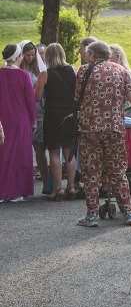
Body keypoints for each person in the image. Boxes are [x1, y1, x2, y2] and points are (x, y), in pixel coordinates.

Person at [75, 40, 131, 227]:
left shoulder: (83, 71)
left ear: (92, 55)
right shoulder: (121, 71)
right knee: (118, 170)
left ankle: (91, 215)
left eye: (87, 54)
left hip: (90, 128)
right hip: (114, 127)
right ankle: (128, 212)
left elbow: (77, 98)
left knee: (91, 171)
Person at [35, 43, 78, 201]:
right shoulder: (73, 70)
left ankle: (58, 187)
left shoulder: (45, 73)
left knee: (54, 151)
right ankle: (71, 187)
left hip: (52, 114)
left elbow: (37, 97)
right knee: (69, 151)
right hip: (70, 114)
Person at [0, 44, 36, 202]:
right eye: (21, 55)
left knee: (3, 154)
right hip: (20, 119)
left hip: (2, 119)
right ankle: (15, 192)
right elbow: (30, 101)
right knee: (20, 155)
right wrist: (33, 121)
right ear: (16, 57)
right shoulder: (23, 75)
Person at [20, 41, 48, 193]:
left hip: (38, 112)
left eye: (32, 55)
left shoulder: (39, 70)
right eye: (26, 55)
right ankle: (22, 184)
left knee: (39, 148)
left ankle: (46, 182)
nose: (29, 58)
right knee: (22, 150)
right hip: (21, 113)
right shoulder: (18, 70)